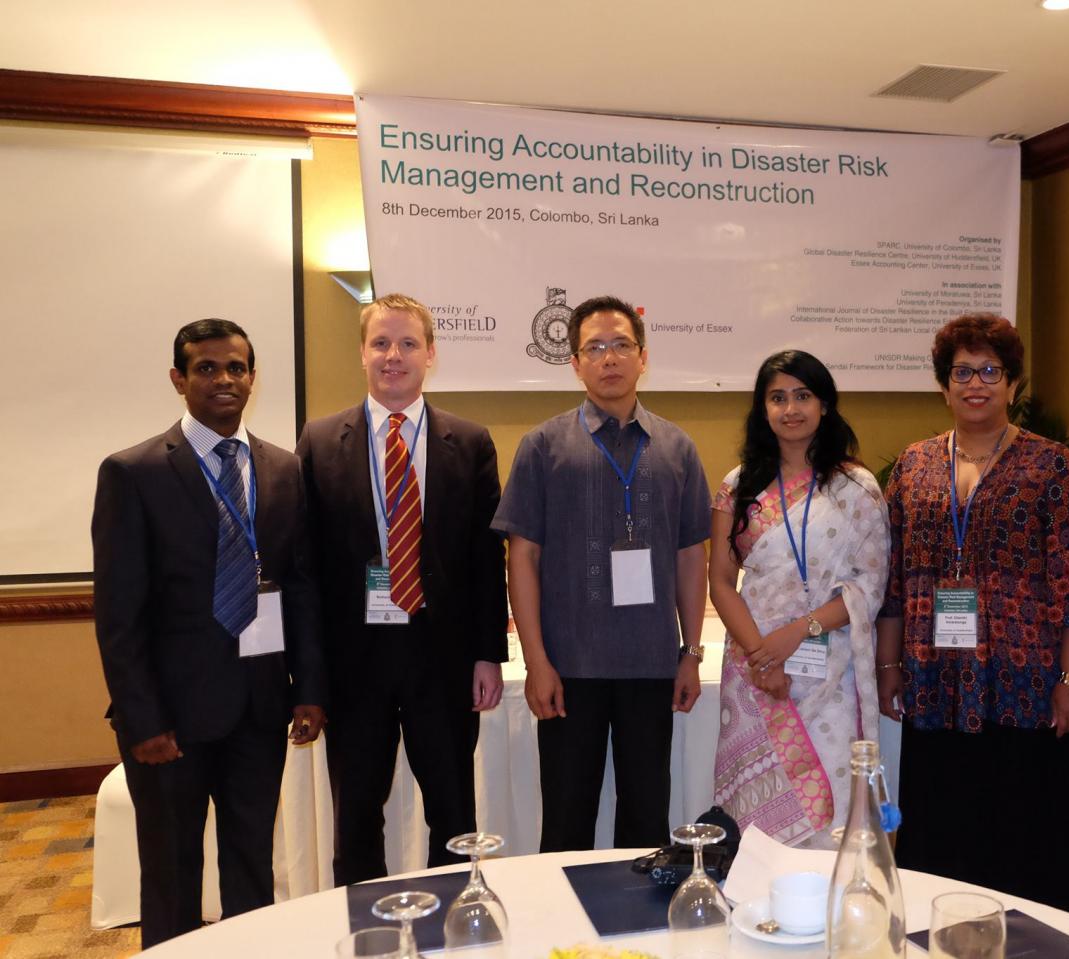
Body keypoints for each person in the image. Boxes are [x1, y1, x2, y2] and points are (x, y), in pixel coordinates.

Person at [92, 319, 325, 947]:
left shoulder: (282, 468)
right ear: (179, 379)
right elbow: (119, 613)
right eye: (206, 368)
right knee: (171, 874)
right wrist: (142, 721)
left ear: (252, 377)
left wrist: (308, 689)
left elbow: (299, 587)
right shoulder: (133, 472)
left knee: (252, 863)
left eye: (236, 368)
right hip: (170, 720)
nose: (223, 379)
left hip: (259, 705)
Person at [875, 313, 1069, 920]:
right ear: (944, 386)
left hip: (1025, 687)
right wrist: (888, 663)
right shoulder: (914, 466)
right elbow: (893, 579)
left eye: (990, 371)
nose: (976, 384)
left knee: (1031, 841)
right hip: (936, 683)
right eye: (962, 372)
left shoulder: (1052, 467)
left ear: (1012, 383)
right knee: (942, 838)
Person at [296, 292, 508, 885]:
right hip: (353, 665)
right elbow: (306, 569)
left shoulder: (469, 442)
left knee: (453, 814)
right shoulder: (317, 442)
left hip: (442, 660)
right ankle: (366, 932)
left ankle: (452, 926)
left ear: (431, 354)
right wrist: (310, 676)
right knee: (357, 816)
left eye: (408, 343)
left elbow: (486, 559)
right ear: (362, 353)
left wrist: (488, 651)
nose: (394, 355)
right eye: (381, 343)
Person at [493, 294, 710, 852]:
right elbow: (523, 556)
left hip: (650, 663)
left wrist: (691, 652)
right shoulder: (543, 446)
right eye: (595, 348)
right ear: (575, 362)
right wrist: (537, 662)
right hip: (569, 668)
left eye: (621, 346)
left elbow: (692, 555)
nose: (609, 358)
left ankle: (638, 934)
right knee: (566, 823)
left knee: (645, 822)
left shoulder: (677, 448)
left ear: (643, 357)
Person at [709, 350, 888, 847]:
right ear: (762, 409)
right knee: (756, 821)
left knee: (829, 807)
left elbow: (867, 587)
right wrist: (761, 655)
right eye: (778, 397)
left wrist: (795, 633)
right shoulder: (738, 486)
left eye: (803, 396)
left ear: (825, 405)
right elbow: (722, 582)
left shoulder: (856, 488)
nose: (792, 409)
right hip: (754, 672)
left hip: (829, 669)